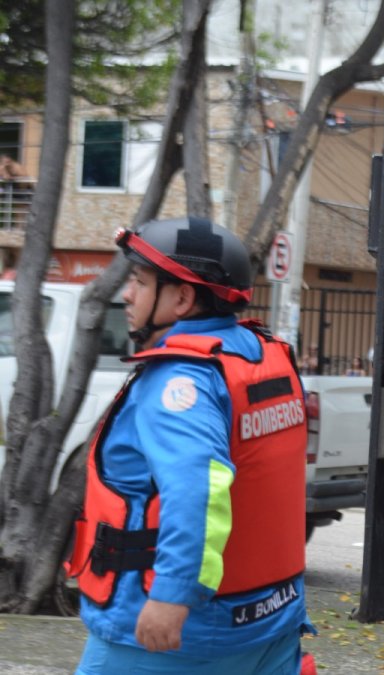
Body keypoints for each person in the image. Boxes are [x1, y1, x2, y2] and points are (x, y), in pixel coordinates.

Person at [66, 217, 313, 674]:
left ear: (181, 298)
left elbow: (196, 488)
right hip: (269, 620)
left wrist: (172, 596)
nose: (127, 295)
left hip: (178, 638)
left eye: (140, 283)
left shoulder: (181, 381)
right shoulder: (261, 357)